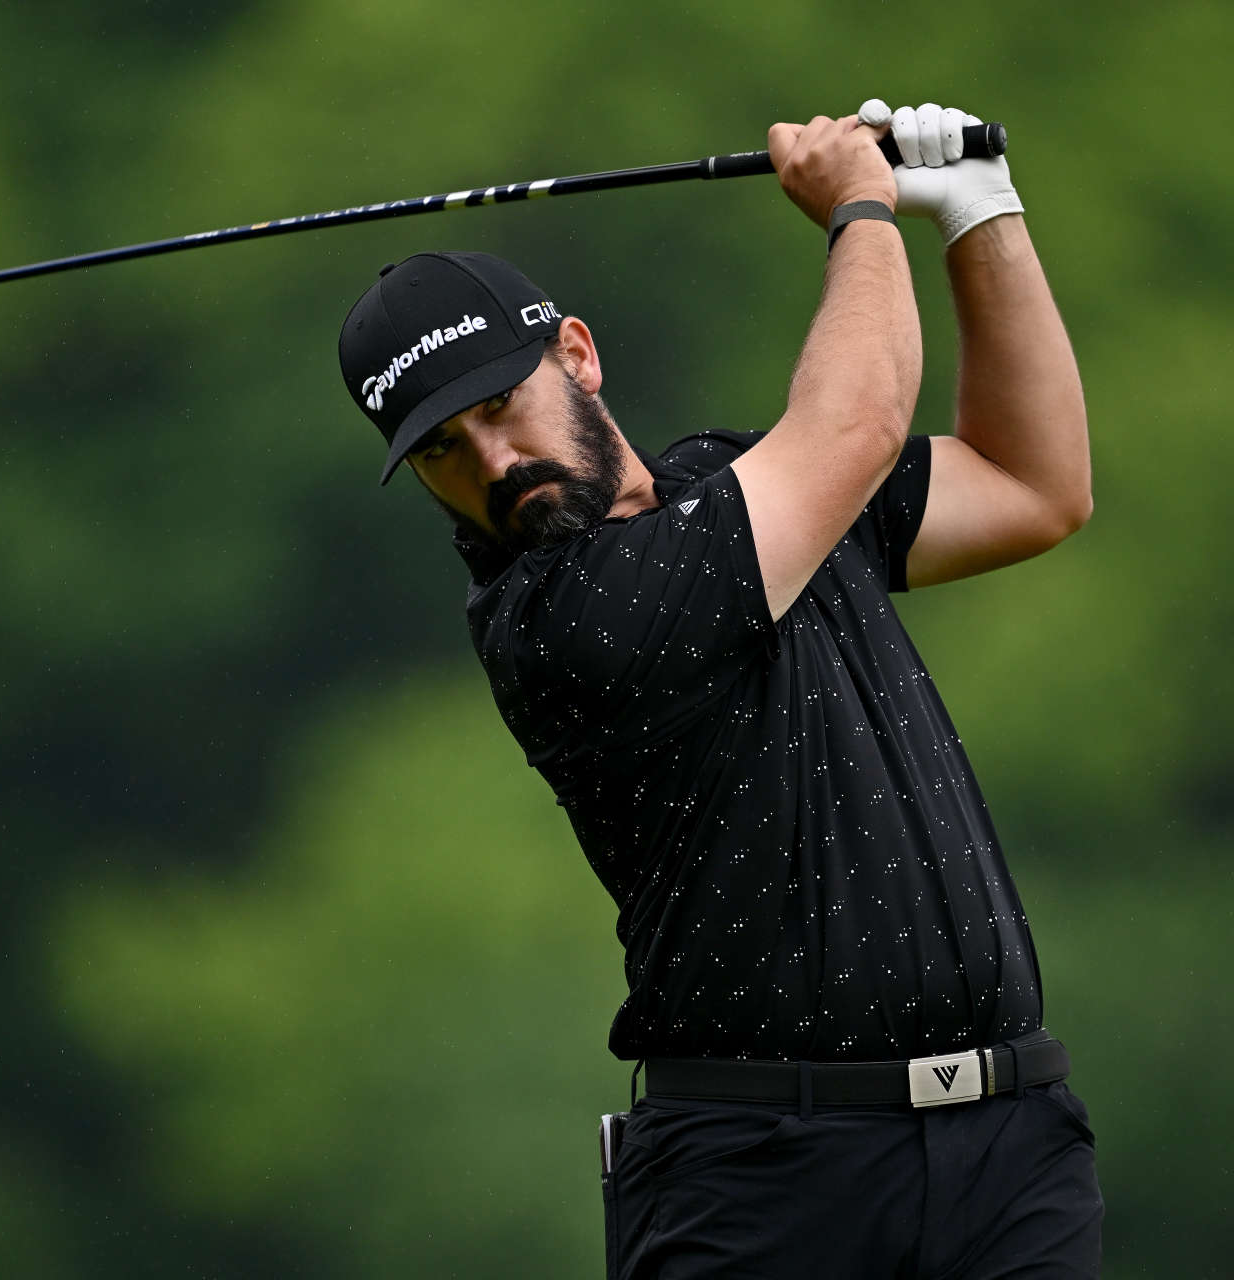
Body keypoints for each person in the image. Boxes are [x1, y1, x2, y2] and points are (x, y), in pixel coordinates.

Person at [337, 99, 1100, 1277]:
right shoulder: (558, 622)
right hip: (765, 1180)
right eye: (443, 449)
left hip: (1011, 1149)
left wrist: (978, 214)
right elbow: (850, 426)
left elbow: (1032, 481)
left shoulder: (735, 486)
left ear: (577, 354)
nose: (494, 462)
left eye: (501, 407)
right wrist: (858, 208)